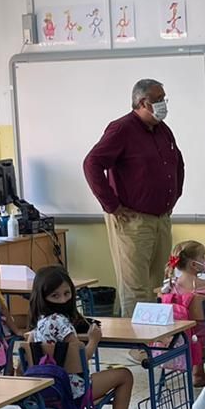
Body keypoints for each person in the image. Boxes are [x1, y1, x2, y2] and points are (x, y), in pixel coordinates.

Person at [83, 79, 185, 314]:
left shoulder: (162, 129)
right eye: (158, 99)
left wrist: (174, 196)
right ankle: (136, 337)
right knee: (135, 287)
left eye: (164, 98)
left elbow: (177, 163)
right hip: (133, 220)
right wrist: (112, 205)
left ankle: (156, 334)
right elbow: (92, 164)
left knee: (159, 284)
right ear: (143, 102)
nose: (163, 104)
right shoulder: (122, 129)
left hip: (161, 218)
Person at [28, 266, 136, 409]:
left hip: (47, 389)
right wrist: (94, 340)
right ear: (43, 297)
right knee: (125, 375)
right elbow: (81, 357)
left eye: (66, 293)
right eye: (55, 295)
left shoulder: (36, 327)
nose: (63, 299)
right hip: (74, 390)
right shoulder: (62, 323)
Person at [159, 240, 205, 387]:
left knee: (195, 333)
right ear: (194, 264)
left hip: (176, 336)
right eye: (203, 257)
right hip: (204, 337)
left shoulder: (168, 287)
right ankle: (198, 373)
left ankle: (195, 371)